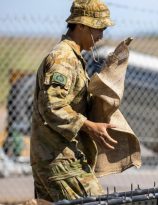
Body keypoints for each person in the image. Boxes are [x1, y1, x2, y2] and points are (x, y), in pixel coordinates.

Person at [31, 0, 116, 201]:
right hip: (60, 158)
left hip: (57, 157)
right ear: (81, 26)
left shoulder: (73, 57)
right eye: (98, 28)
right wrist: (89, 126)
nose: (101, 35)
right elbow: (52, 106)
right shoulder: (63, 59)